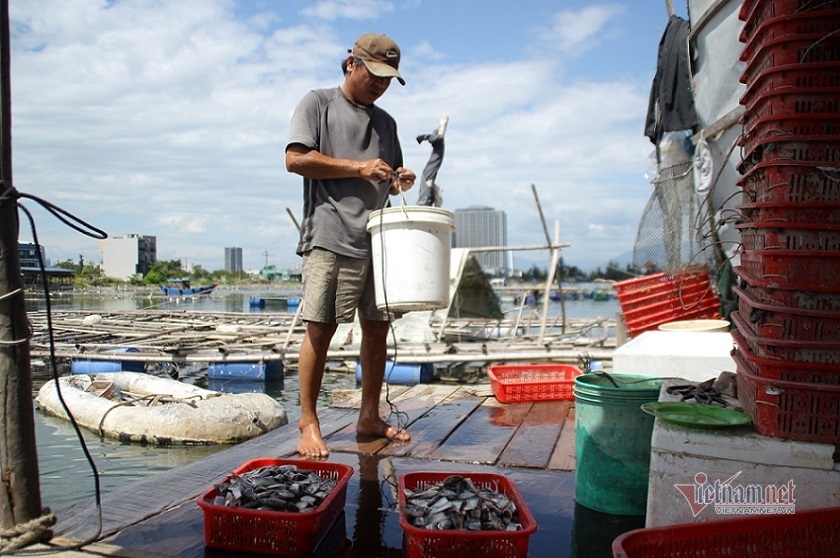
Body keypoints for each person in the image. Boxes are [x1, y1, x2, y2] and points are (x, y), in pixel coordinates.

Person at [285, 33, 417, 457]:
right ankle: (308, 422)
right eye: (375, 75)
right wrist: (357, 166)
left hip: (378, 241)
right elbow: (295, 159)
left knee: (377, 329)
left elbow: (390, 181)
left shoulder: (387, 123)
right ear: (351, 65)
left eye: (388, 79)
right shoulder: (318, 103)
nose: (380, 85)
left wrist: (401, 180)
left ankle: (370, 416)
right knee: (320, 328)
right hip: (330, 235)